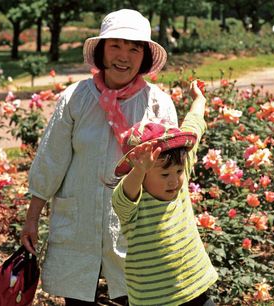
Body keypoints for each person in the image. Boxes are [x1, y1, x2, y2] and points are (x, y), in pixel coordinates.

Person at [21, 9, 178, 305]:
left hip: (134, 227)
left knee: (133, 294)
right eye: (115, 45)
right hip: (80, 221)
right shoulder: (76, 98)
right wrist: (31, 219)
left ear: (144, 56)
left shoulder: (157, 104)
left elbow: (171, 172)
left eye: (134, 48)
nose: (124, 56)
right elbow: (51, 161)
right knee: (79, 297)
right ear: (102, 51)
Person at [111, 80, 218, 306]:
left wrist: (199, 99)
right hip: (153, 299)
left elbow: (194, 126)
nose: (174, 180)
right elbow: (122, 197)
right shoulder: (133, 203)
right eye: (163, 174)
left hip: (195, 287)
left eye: (178, 171)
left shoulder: (180, 176)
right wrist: (140, 169)